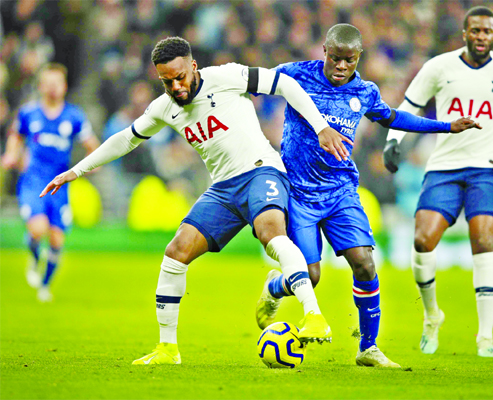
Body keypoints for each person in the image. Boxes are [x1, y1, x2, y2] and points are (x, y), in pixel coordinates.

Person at [40, 37, 351, 365]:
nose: (175, 86)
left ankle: (313, 315)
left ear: (193, 67)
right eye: (166, 81)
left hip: (261, 171)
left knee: (270, 233)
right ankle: (167, 349)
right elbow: (125, 139)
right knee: (175, 252)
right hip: (223, 189)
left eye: (180, 77)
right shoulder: (165, 107)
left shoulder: (226, 77)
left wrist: (320, 127)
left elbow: (285, 84)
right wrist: (75, 170)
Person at [255, 23, 480, 368]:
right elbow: (250, 84)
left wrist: (445, 126)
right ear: (325, 52)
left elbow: (393, 117)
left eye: (349, 60)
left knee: (364, 262)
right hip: (299, 193)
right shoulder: (295, 75)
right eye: (336, 58)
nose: (342, 66)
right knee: (311, 276)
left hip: (341, 191)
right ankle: (275, 288)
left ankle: (368, 348)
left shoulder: (365, 91)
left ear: (358, 57)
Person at [382, 6, 493, 357]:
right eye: (475, 31)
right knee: (423, 241)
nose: (481, 37)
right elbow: (409, 106)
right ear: (464, 33)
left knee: (483, 239)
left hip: (486, 168)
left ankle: (485, 337)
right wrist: (393, 142)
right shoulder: (439, 67)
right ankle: (432, 316)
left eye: (487, 31)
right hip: (443, 166)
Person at [1, 62, 100, 302]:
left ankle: (45, 285)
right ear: (41, 86)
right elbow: (16, 136)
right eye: (49, 83)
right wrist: (12, 154)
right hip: (33, 181)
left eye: (58, 83)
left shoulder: (74, 115)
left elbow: (92, 146)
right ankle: (35, 256)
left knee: (57, 239)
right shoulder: (28, 113)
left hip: (60, 184)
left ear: (64, 86)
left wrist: (89, 165)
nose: (53, 88)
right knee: (38, 228)